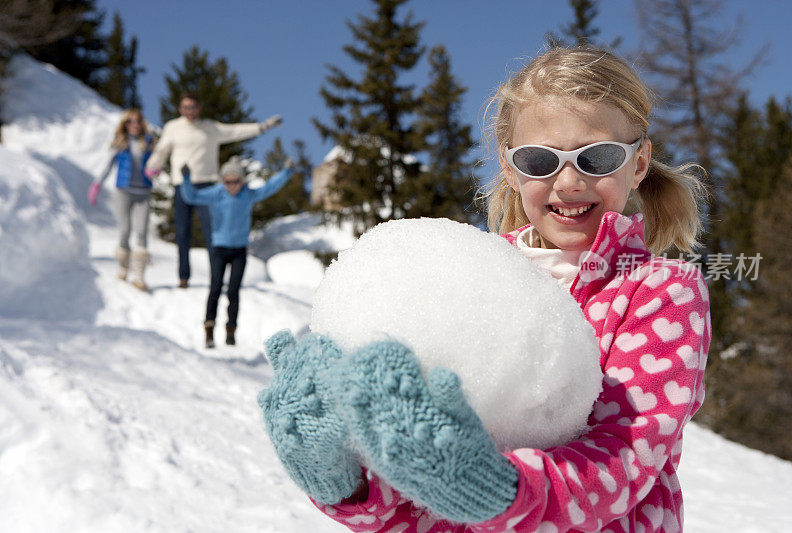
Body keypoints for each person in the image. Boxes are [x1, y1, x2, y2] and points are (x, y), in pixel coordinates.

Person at [259, 46, 711, 532]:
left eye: (597, 157)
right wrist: (343, 480)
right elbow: (424, 490)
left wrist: (492, 487)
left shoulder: (661, 290)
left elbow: (624, 461)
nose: (570, 181)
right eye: (539, 160)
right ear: (511, 169)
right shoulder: (476, 281)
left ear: (638, 162)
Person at [144, 92, 282, 288]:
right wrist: (151, 166)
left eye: (193, 107)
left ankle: (215, 276)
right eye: (185, 107)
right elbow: (162, 150)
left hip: (208, 184)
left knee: (212, 232)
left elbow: (235, 131)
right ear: (180, 109)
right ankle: (184, 276)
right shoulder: (173, 128)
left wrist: (262, 127)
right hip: (182, 185)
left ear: (198, 108)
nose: (189, 111)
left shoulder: (211, 128)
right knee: (183, 231)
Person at [180, 157, 294, 348]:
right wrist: (185, 178)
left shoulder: (248, 195)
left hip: (239, 250)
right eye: (228, 182)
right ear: (222, 181)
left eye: (236, 181)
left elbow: (270, 187)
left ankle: (231, 331)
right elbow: (191, 197)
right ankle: (209, 330)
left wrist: (286, 172)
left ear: (242, 180)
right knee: (215, 288)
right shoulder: (216, 194)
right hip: (219, 248)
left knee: (234, 291)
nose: (232, 186)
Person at [88, 108, 155, 291]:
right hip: (123, 191)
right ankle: (123, 267)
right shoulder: (120, 143)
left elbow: (157, 161)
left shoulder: (149, 142)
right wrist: (96, 185)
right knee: (125, 230)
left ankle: (139, 276)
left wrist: (155, 169)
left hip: (143, 192)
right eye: (130, 121)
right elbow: (107, 165)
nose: (134, 124)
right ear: (124, 124)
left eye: (137, 120)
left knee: (141, 232)